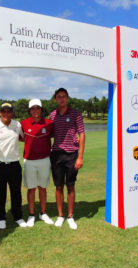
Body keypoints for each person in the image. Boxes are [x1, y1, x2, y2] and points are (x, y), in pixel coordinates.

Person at [0, 102, 27, 229]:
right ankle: (1, 217)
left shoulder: (17, 125)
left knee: (16, 193)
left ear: (12, 113)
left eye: (9, 111)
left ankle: (18, 216)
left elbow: (23, 138)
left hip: (14, 165)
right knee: (0, 193)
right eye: (4, 111)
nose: (6, 113)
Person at [49, 88, 85, 230]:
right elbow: (50, 134)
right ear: (55, 99)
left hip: (71, 155)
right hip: (56, 154)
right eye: (59, 97)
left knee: (70, 186)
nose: (62, 99)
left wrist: (80, 156)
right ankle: (60, 215)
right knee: (58, 186)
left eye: (64, 97)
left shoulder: (76, 114)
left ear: (67, 98)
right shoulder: (52, 115)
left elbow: (82, 134)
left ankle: (70, 216)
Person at [20, 99, 54, 227]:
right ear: (29, 111)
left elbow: (58, 136)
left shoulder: (49, 124)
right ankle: (31, 215)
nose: (35, 110)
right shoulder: (23, 123)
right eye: (33, 108)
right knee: (31, 188)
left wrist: (75, 139)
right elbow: (18, 137)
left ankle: (43, 213)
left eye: (38, 108)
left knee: (42, 188)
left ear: (41, 109)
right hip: (29, 161)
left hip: (45, 160)